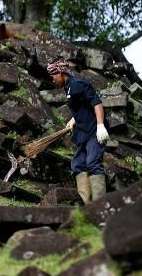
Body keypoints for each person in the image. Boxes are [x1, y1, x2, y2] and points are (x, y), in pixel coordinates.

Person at [47, 58, 109, 203]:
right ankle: (86, 204)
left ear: (61, 73)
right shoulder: (67, 87)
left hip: (94, 129)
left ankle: (100, 207)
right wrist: (73, 119)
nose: (52, 79)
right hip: (82, 131)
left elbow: (97, 102)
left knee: (93, 162)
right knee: (78, 164)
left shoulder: (78, 84)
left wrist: (100, 125)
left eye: (53, 75)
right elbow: (82, 105)